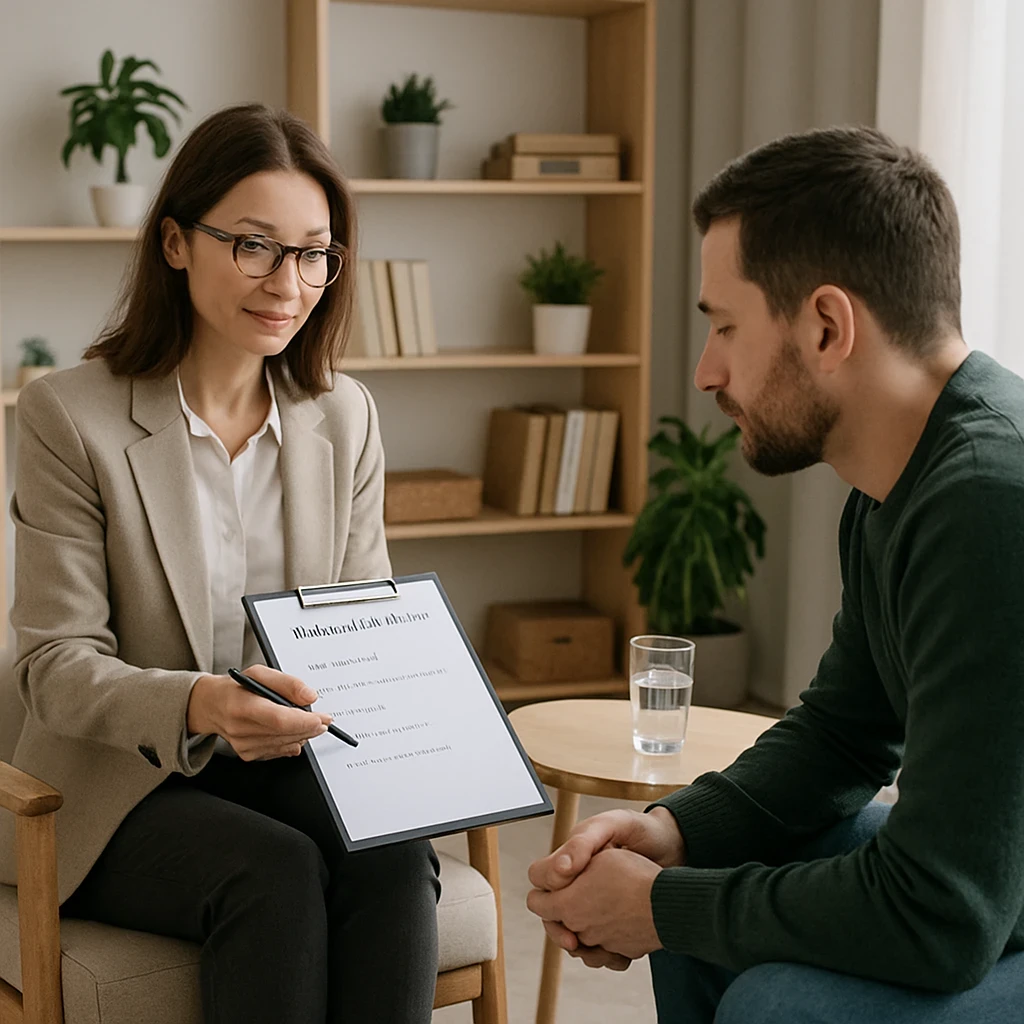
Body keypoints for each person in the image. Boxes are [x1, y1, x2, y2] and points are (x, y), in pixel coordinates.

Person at [526, 125, 1024, 1022]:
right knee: (704, 879)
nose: (706, 370)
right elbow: (845, 733)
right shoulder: (895, 484)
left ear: (828, 326)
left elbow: (942, 914)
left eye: (724, 326)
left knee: (778, 1003)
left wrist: (654, 907)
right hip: (997, 878)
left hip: (981, 895)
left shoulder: (990, 500)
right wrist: (674, 833)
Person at [0, 104, 440, 1024]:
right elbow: (54, 667)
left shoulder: (344, 416)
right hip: (115, 778)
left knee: (395, 851)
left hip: (290, 758)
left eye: (316, 252)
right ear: (174, 241)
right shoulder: (66, 417)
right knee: (272, 870)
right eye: (254, 245)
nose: (289, 283)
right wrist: (204, 702)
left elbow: (367, 626)